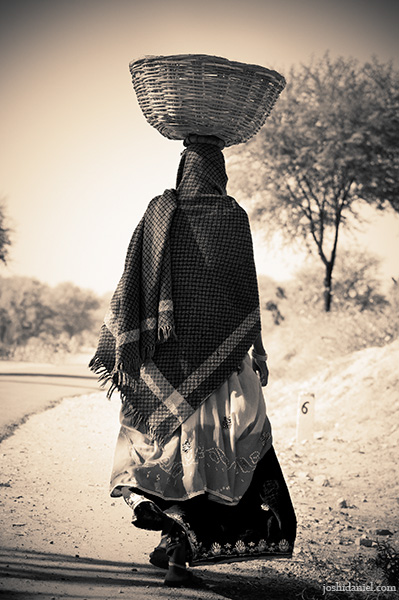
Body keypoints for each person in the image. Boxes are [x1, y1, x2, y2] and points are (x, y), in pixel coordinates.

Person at [90, 134, 296, 587]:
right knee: (215, 456)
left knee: (167, 456)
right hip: (222, 369)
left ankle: (170, 543)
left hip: (163, 364)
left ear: (183, 171)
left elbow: (132, 283)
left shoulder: (158, 214)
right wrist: (257, 348)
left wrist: (130, 345)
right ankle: (180, 560)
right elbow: (247, 293)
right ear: (219, 174)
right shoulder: (233, 218)